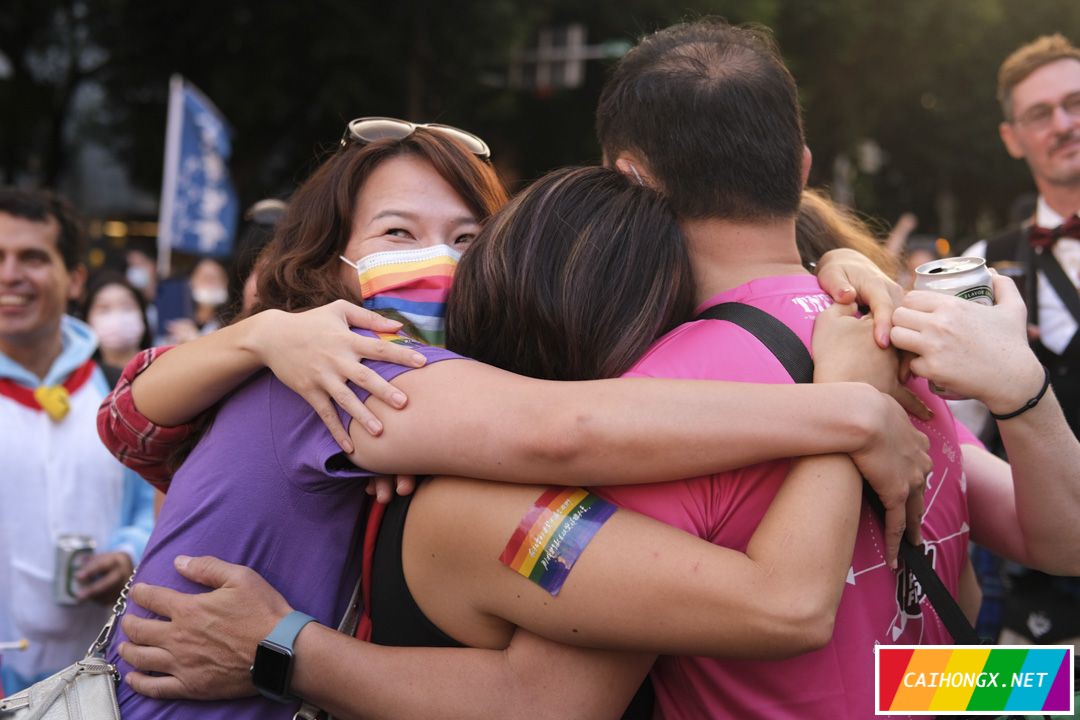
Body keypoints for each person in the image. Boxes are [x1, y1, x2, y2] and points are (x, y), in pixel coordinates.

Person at [118, 20, 1080, 719]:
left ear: (628, 176)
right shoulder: (880, 334)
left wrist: (283, 652)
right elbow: (1047, 548)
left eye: (463, 235)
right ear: (799, 162)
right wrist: (1031, 684)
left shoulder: (653, 410)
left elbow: (550, 697)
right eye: (403, 234)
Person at [0, 187, 155, 694]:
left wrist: (127, 555)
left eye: (33, 257)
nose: (10, 275)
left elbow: (148, 510)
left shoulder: (122, 393)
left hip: (102, 683)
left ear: (75, 280)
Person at [961, 30, 1080, 659]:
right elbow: (954, 431)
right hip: (1034, 589)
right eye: (1041, 113)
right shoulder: (982, 268)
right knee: (1007, 697)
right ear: (1013, 138)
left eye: (1076, 103)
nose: (1064, 124)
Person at [82, 271, 154, 387]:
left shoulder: (163, 368)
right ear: (87, 320)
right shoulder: (84, 382)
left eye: (127, 306)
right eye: (104, 309)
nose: (117, 317)